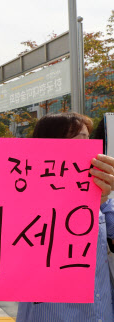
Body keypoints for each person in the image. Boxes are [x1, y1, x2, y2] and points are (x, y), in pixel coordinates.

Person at [16, 112, 114, 321]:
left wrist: (104, 199)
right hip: (50, 313)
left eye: (89, 141)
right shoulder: (24, 197)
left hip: (99, 312)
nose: (88, 150)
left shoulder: (100, 193)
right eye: (77, 142)